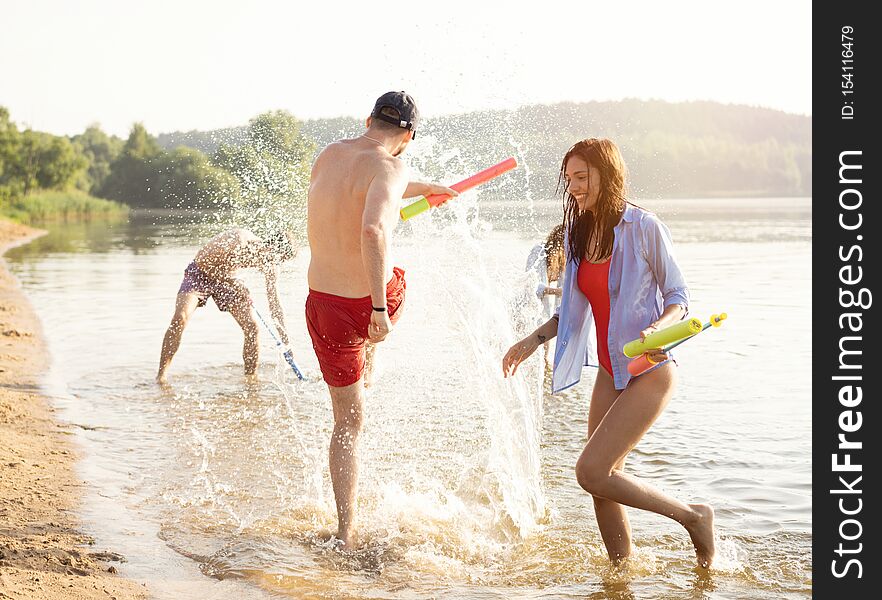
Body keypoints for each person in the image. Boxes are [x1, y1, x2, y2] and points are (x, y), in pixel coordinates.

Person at [502, 138, 715, 568]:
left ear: (607, 173)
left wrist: (659, 326)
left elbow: (679, 296)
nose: (574, 187)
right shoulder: (579, 233)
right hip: (608, 372)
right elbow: (571, 312)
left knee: (592, 471)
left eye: (582, 177)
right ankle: (621, 573)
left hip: (650, 369)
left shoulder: (643, 227)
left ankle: (693, 517)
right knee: (600, 482)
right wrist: (531, 341)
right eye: (569, 179)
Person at [305, 91, 457, 550]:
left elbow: (364, 187)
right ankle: (371, 351)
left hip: (322, 303)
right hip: (367, 304)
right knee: (397, 280)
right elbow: (372, 228)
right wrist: (376, 311)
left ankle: (345, 531)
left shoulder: (329, 154)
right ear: (408, 137)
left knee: (345, 422)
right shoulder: (394, 167)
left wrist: (423, 187)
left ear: (368, 119)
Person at [156, 228, 296, 383]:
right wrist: (231, 282)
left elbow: (275, 305)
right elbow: (205, 263)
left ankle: (250, 380)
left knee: (252, 327)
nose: (275, 264)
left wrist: (286, 343)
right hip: (201, 273)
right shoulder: (239, 241)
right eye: (277, 259)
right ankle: (161, 377)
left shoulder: (270, 265)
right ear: (270, 248)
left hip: (229, 278)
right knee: (180, 318)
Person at [525, 223, 565, 364]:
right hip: (526, 308)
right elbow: (532, 286)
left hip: (542, 313)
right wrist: (557, 291)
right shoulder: (539, 250)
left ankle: (545, 380)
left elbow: (564, 292)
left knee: (544, 358)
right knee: (531, 356)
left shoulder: (562, 260)